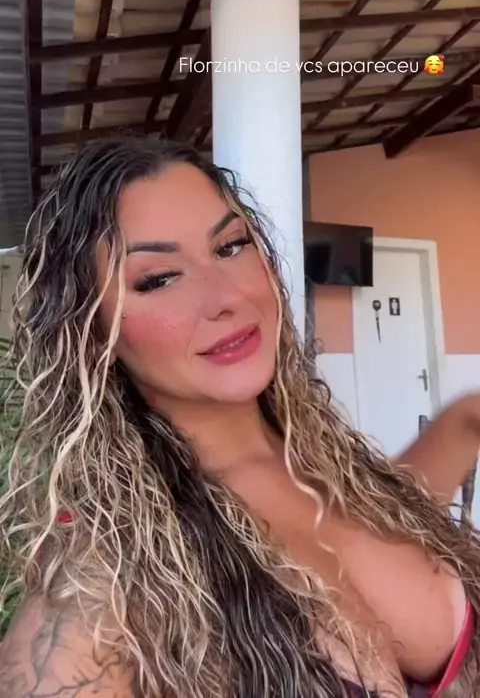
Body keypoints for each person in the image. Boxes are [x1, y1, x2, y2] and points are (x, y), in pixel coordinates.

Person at [0, 135, 479, 698]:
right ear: (91, 331)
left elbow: (393, 525)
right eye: (158, 278)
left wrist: (464, 420)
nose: (225, 296)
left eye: (230, 246)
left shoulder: (331, 465)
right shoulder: (107, 584)